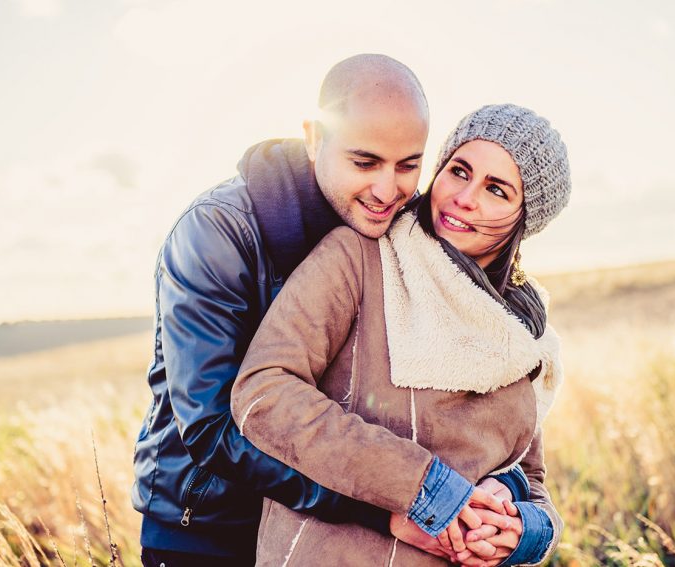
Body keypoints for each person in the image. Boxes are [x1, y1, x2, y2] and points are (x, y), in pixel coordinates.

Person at [132, 54, 521, 567]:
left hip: (318, 541)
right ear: (316, 137)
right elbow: (212, 424)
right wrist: (384, 505)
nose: (388, 191)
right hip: (209, 527)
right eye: (365, 162)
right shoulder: (216, 233)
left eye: (408, 165)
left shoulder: (403, 233)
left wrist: (501, 498)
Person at [232, 103, 570, 566]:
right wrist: (427, 489)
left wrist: (523, 532)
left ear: (524, 218)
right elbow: (264, 392)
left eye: (496, 189)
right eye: (459, 171)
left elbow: (529, 478)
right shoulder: (360, 259)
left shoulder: (524, 331)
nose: (464, 197)